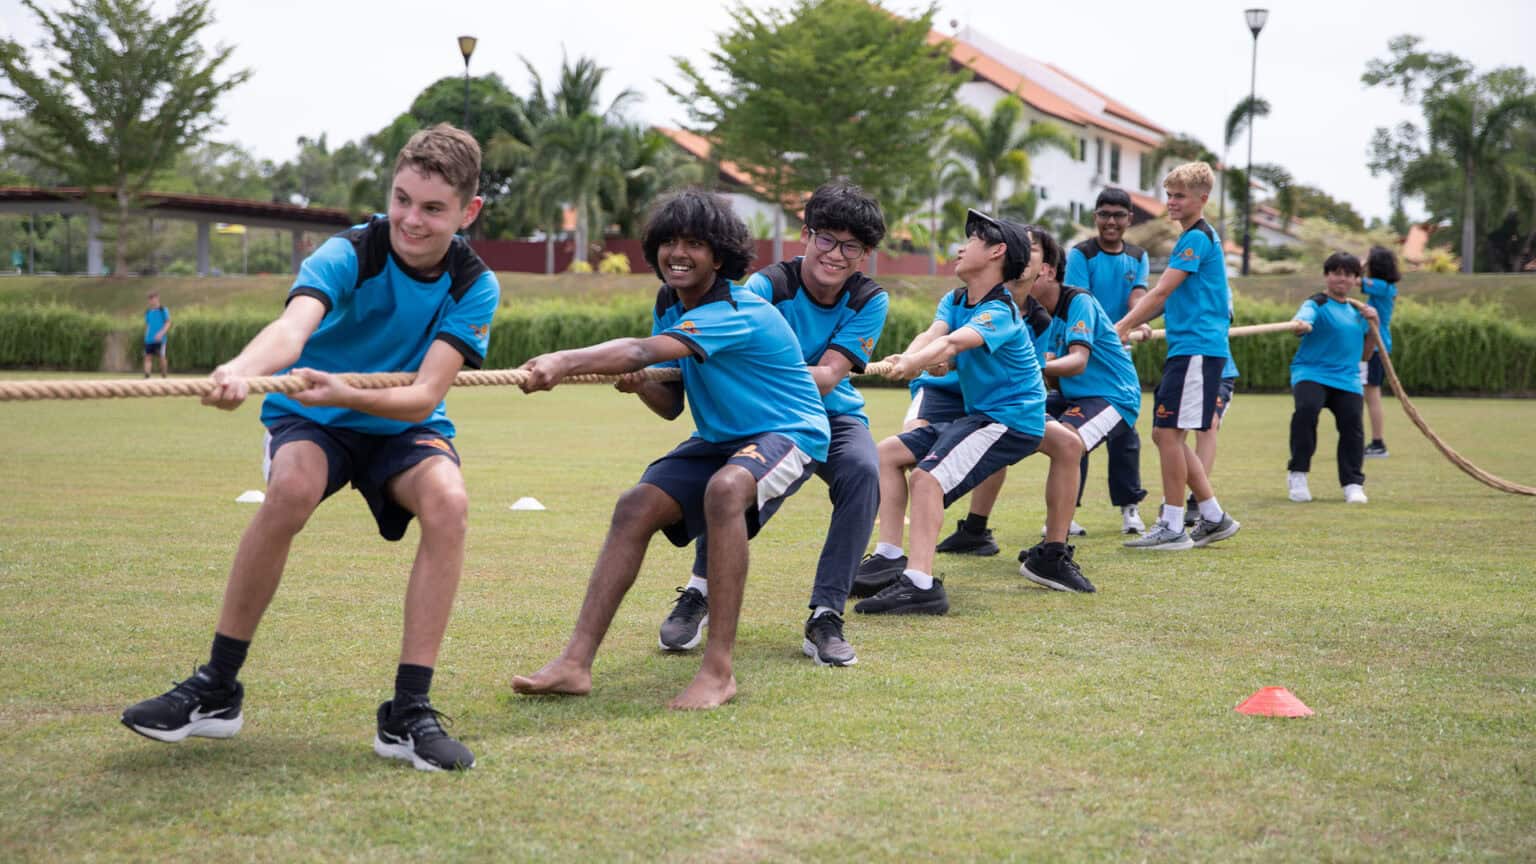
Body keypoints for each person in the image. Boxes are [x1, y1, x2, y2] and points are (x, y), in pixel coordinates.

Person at [120, 124, 499, 771]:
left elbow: (421, 396)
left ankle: (408, 713)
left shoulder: (474, 285)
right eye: (402, 198)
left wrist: (346, 392)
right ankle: (216, 688)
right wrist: (241, 368)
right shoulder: (348, 251)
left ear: (469, 212)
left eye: (433, 208)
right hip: (312, 414)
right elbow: (292, 330)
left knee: (450, 503)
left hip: (397, 422)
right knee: (290, 488)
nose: (410, 219)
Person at [511, 189, 829, 710]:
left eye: (695, 244)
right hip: (722, 436)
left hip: (789, 432)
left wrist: (564, 360)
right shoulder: (671, 304)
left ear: (719, 257)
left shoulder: (733, 307)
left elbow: (639, 350)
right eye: (669, 242)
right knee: (634, 505)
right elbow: (672, 403)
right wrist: (641, 386)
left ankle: (719, 672)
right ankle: (574, 663)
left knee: (727, 490)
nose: (678, 253)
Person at [659, 181, 887, 668]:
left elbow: (826, 377)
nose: (835, 254)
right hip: (763, 415)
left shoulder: (869, 299)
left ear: (864, 255)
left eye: (851, 246)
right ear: (805, 235)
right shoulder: (767, 286)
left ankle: (826, 614)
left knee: (864, 472)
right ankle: (699, 591)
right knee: (738, 482)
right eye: (826, 238)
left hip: (834, 414)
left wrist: (769, 369)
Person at [853, 209, 1090, 614]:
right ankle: (891, 556)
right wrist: (908, 356)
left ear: (997, 252)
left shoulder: (999, 311)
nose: (961, 248)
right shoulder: (956, 298)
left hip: (1011, 421)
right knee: (887, 454)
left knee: (927, 479)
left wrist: (914, 364)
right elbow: (934, 335)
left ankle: (920, 585)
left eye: (973, 240)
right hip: (980, 415)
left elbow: (952, 346)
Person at [1115, 162, 1240, 551]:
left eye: (1180, 195)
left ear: (1203, 199)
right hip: (1189, 349)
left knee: (1168, 434)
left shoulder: (1196, 239)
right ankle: (1214, 516)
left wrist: (1118, 328)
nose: (1171, 202)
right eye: (1169, 194)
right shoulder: (1195, 238)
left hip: (1197, 350)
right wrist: (1131, 324)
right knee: (1166, 434)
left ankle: (1172, 524)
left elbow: (1160, 294)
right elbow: (1168, 300)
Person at [1026, 227, 1142, 583]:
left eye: (1027, 252)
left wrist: (1034, 367)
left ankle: (1053, 552)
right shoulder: (1031, 314)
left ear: (1046, 269)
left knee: (1068, 443)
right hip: (1073, 394)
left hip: (1112, 396)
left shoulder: (1079, 300)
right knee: (1006, 421)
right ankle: (977, 530)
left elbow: (1076, 361)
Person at [1061, 189, 1149, 534]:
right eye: (1104, 214)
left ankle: (1129, 509)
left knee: (1124, 434)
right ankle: (1065, 514)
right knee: (1074, 431)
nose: (1111, 221)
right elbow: (1080, 303)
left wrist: (1138, 319)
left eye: (1118, 215)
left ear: (1130, 219)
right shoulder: (1081, 255)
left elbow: (1138, 294)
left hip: (1117, 362)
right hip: (1082, 352)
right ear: (1095, 217)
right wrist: (1109, 332)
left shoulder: (1137, 255)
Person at [1286, 252, 1380, 504]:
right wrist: (1302, 324)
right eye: (1337, 273)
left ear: (1355, 279)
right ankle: (1298, 475)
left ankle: (1352, 484)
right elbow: (1304, 317)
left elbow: (1365, 353)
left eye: (1348, 274)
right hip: (1311, 372)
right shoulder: (1316, 303)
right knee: (1306, 411)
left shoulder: (1358, 311)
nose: (1342, 279)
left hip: (1346, 377)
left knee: (1353, 426)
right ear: (1327, 276)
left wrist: (1374, 326)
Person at [1361, 245, 1400, 458]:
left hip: (1375, 346)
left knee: (1372, 395)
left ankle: (1378, 443)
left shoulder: (1378, 285)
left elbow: (1351, 278)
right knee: (1369, 394)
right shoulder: (1388, 287)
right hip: (1377, 343)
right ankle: (1375, 442)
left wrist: (1364, 260)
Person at [143, 291, 171, 378]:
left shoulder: (163, 310)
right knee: (147, 357)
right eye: (150, 299)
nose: (152, 301)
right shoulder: (148, 312)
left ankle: (164, 375)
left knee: (161, 357)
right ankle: (147, 376)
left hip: (160, 339)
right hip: (149, 339)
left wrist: (161, 333)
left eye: (153, 298)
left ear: (157, 298)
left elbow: (168, 323)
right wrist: (146, 336)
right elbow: (148, 325)